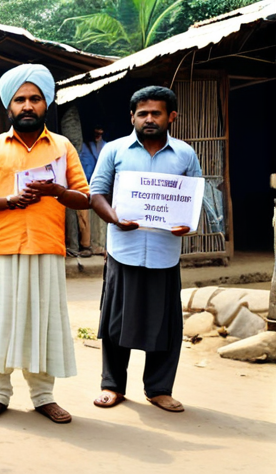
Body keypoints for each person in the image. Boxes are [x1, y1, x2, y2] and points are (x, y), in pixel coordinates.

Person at [0, 64, 90, 425]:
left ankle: (43, 396)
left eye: (35, 98)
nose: (27, 105)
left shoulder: (63, 147)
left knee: (44, 321)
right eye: (20, 99)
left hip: (48, 247)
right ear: (9, 106)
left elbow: (84, 198)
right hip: (3, 248)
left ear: (46, 103)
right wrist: (9, 201)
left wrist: (57, 191)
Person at [90, 86, 202, 413]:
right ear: (132, 117)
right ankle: (112, 386)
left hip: (165, 253)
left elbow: (193, 202)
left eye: (156, 113)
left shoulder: (185, 155)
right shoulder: (114, 150)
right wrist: (114, 218)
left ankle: (158, 389)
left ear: (172, 116)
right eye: (142, 113)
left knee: (165, 325)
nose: (149, 119)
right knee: (114, 323)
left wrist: (188, 224)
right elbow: (97, 195)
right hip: (123, 249)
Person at [76, 125, 107, 257]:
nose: (98, 134)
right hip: (86, 186)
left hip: (102, 187)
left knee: (101, 218)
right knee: (84, 217)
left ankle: (100, 246)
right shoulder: (83, 147)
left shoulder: (107, 146)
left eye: (100, 131)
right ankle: (86, 245)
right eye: (96, 131)